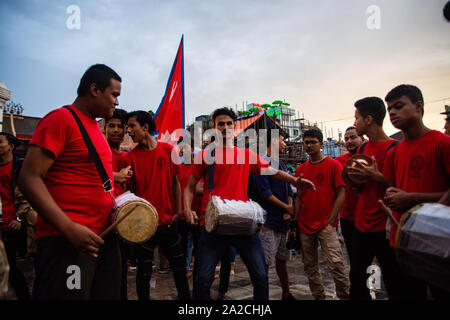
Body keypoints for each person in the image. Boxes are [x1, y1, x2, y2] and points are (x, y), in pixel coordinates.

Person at [183, 107, 315, 300]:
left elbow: (272, 170)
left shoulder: (245, 155)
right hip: (212, 224)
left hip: (243, 223)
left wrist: (295, 181)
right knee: (203, 278)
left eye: (229, 123)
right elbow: (189, 187)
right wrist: (187, 209)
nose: (225, 127)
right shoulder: (204, 155)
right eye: (221, 124)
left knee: (260, 275)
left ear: (234, 126)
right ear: (214, 127)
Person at [18, 64, 122, 300]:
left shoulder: (95, 126)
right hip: (69, 242)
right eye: (114, 94)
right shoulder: (60, 119)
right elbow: (29, 178)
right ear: (94, 89)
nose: (116, 102)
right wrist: (68, 227)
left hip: (102, 237)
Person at [382, 85, 450, 299]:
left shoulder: (443, 144)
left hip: (438, 242)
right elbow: (394, 186)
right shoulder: (395, 151)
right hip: (402, 240)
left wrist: (412, 200)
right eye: (390, 108)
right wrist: (392, 195)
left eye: (399, 106)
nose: (392, 113)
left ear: (418, 106)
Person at [124, 110, 190, 300]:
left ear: (145, 127)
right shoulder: (130, 158)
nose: (128, 131)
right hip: (145, 225)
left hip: (170, 221)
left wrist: (178, 212)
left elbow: (175, 182)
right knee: (143, 272)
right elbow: (130, 192)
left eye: (131, 126)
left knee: (178, 269)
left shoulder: (169, 151)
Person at [346, 96, 400, 300]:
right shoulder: (361, 150)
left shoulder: (395, 148)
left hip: (386, 227)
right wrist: (354, 181)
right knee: (357, 279)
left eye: (356, 118)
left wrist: (378, 177)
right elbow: (360, 188)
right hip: (361, 225)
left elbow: (401, 188)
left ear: (368, 119)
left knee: (393, 281)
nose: (354, 123)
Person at [294, 129, 349, 300]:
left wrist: (332, 219)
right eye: (306, 142)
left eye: (313, 142)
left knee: (337, 264)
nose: (309, 146)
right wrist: (295, 223)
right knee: (310, 266)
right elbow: (298, 198)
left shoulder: (333, 165)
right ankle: (319, 296)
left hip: (326, 223)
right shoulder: (300, 169)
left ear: (321, 144)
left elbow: (341, 193)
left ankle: (344, 296)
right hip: (304, 224)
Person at [248, 130, 296, 300]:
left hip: (283, 221)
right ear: (274, 141)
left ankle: (286, 293)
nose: (285, 144)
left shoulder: (280, 164)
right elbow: (265, 194)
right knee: (265, 262)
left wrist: (289, 209)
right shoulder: (261, 163)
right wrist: (286, 208)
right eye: (283, 140)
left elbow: (289, 189)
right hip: (268, 221)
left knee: (282, 260)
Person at [104, 108, 133, 300]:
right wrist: (116, 176)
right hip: (99, 219)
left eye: (119, 127)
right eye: (111, 126)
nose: (115, 130)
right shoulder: (99, 152)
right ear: (104, 128)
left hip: (121, 218)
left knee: (119, 270)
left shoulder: (127, 158)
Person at [0, 132, 31, 300]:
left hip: (12, 223)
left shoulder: (20, 167)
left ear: (11, 146)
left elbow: (27, 195)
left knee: (10, 266)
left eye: (0, 142)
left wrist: (18, 218)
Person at [335, 127, 364, 264]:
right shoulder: (339, 162)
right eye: (346, 139)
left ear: (362, 139)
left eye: (353, 137)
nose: (349, 141)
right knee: (355, 259)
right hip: (348, 217)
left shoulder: (370, 158)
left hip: (370, 216)